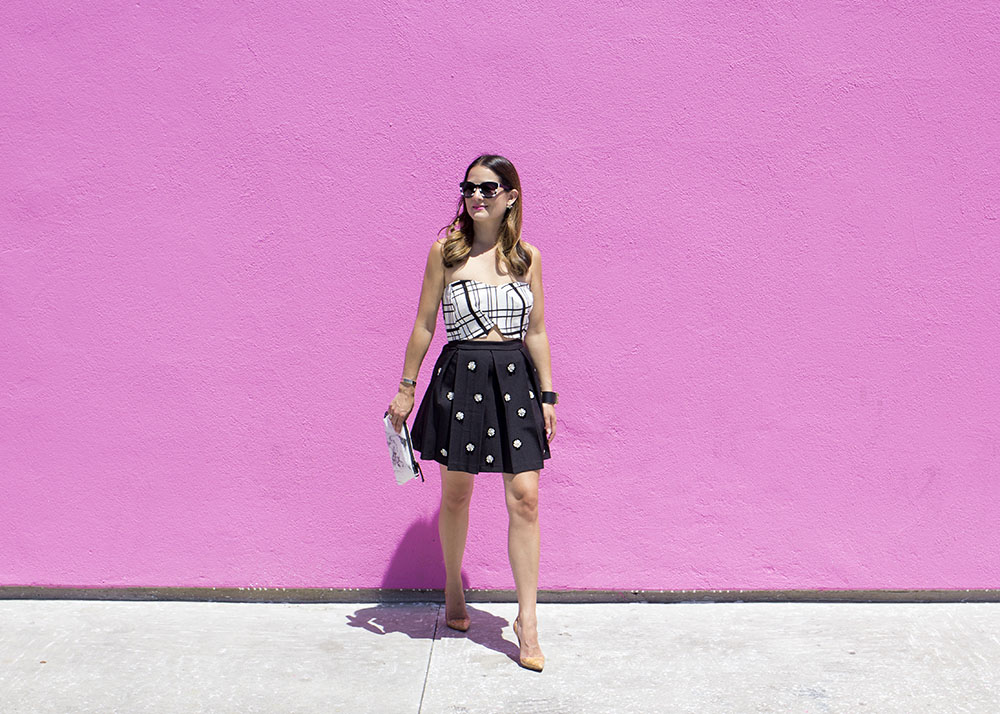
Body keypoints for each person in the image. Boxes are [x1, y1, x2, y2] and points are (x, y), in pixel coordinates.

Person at [387, 154, 557, 672]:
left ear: (511, 197)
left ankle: (527, 618)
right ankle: (452, 584)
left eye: (489, 188)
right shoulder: (446, 252)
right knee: (456, 492)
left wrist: (548, 395)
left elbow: (537, 333)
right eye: (469, 188)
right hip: (459, 376)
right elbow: (423, 325)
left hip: (514, 380)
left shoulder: (528, 257)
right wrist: (406, 387)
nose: (477, 196)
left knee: (525, 497)